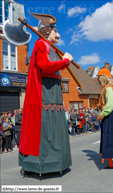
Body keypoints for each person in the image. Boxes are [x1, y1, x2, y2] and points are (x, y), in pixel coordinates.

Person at [19, 13, 72, 175]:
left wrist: (62, 63)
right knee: (43, 128)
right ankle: (43, 163)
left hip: (53, 95)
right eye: (56, 31)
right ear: (47, 31)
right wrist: (65, 61)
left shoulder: (49, 47)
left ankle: (58, 162)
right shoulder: (41, 45)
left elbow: (52, 68)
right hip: (45, 95)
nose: (59, 34)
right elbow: (45, 66)